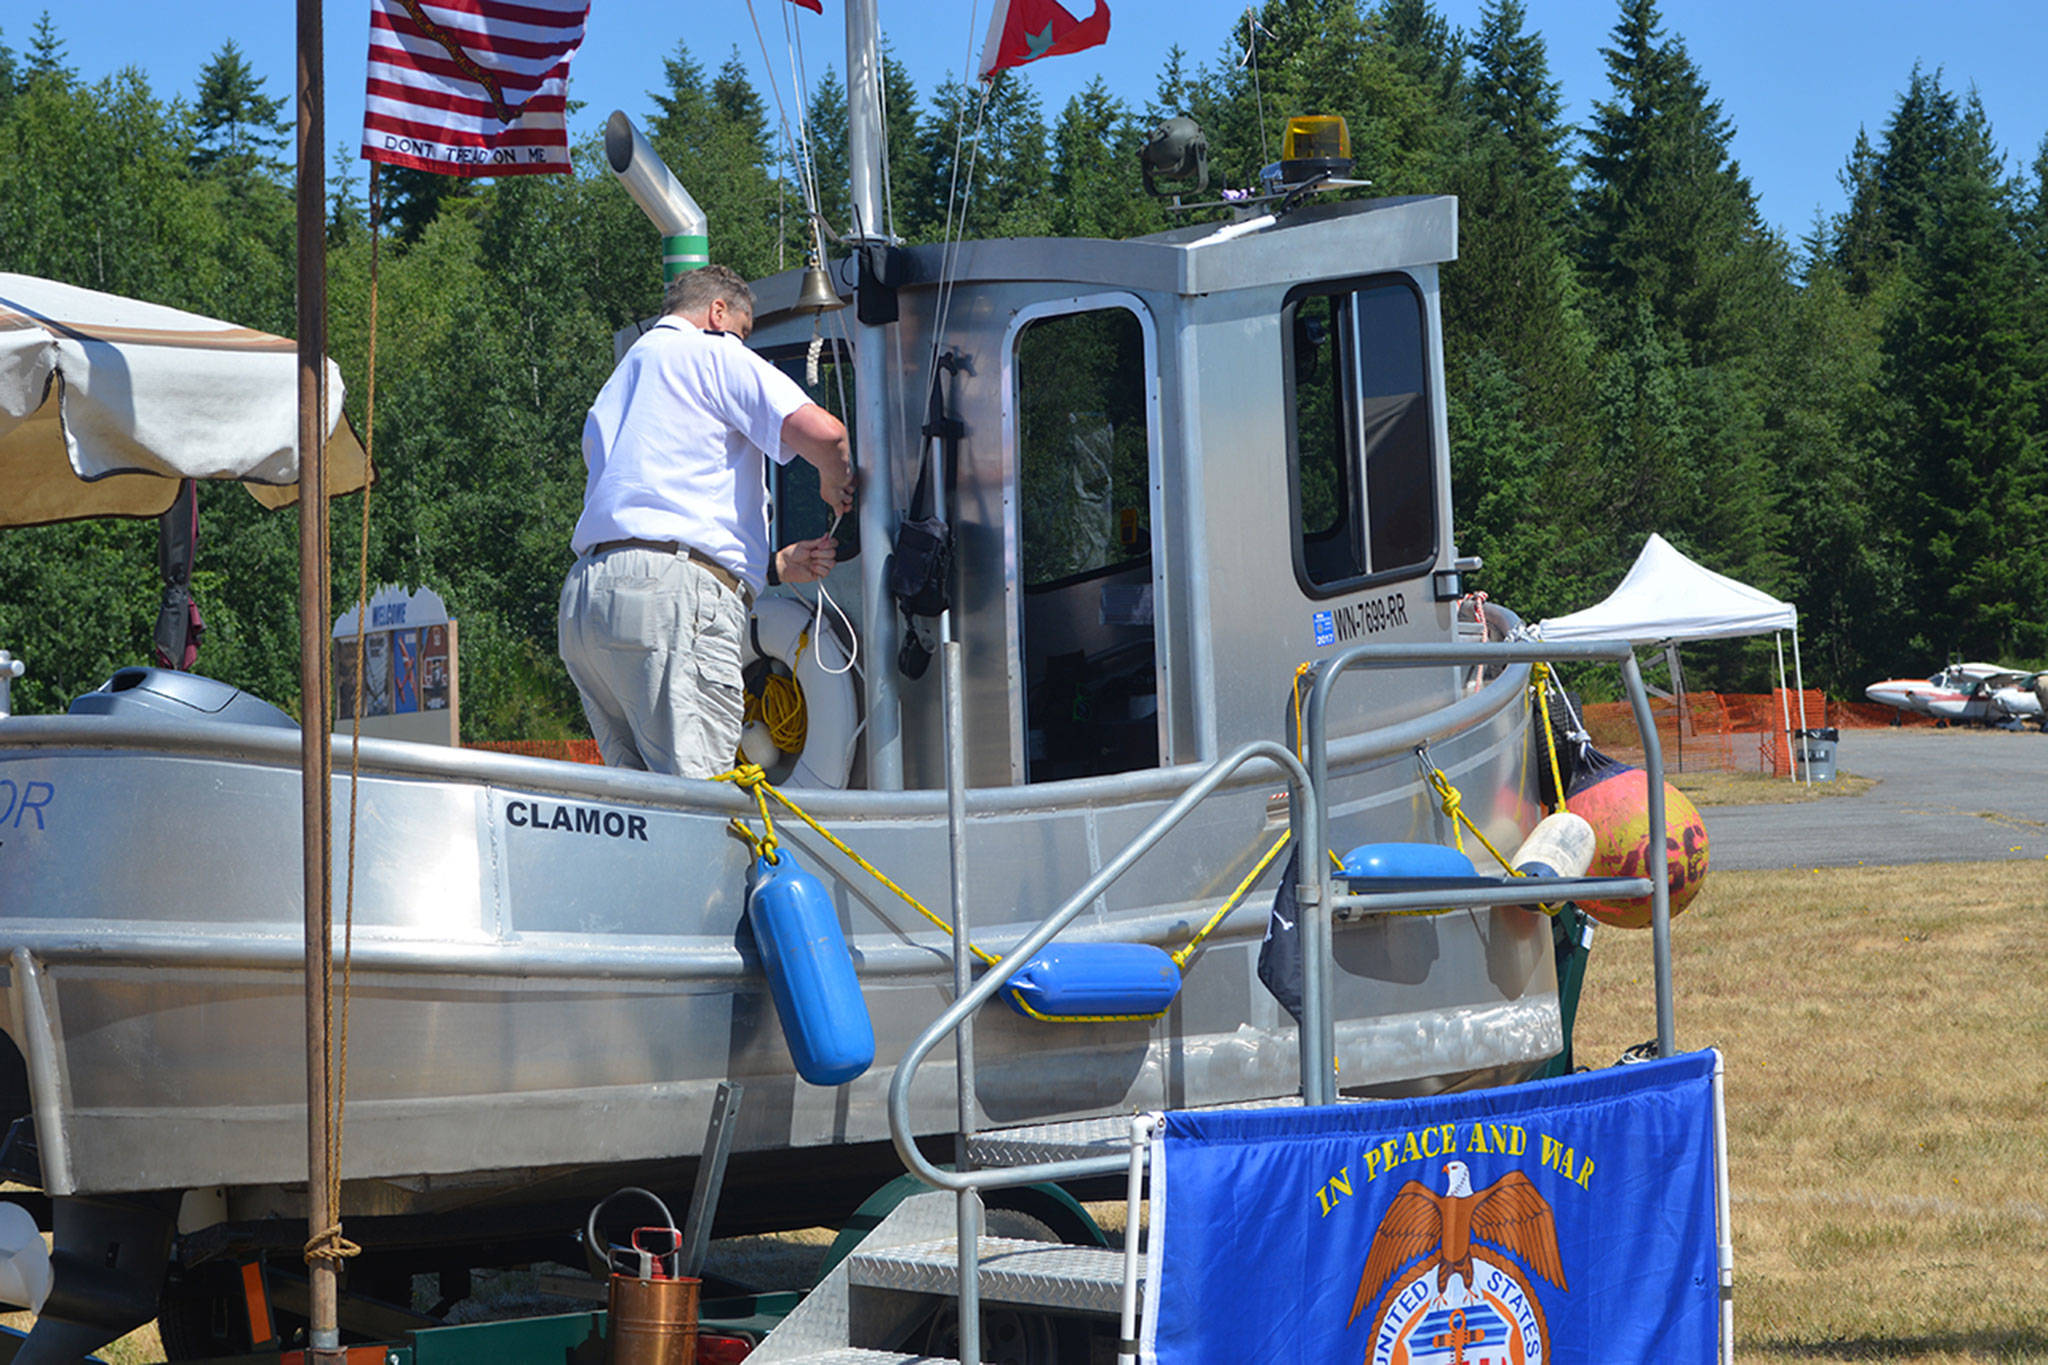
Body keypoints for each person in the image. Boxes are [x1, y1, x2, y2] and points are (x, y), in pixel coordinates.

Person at [558, 264, 853, 777]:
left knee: (638, 801)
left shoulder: (621, 379)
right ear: (718, 313)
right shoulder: (713, 352)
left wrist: (771, 567)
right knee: (698, 793)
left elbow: (648, 515)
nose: (741, 342)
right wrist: (834, 481)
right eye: (743, 330)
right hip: (668, 597)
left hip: (586, 600)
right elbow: (827, 435)